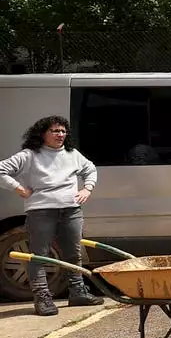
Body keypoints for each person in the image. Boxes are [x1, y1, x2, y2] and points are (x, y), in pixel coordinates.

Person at [0, 116, 102, 316]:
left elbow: (90, 169)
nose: (60, 135)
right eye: (55, 131)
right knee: (40, 255)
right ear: (42, 134)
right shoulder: (29, 155)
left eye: (63, 131)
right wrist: (18, 188)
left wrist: (87, 189)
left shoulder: (72, 154)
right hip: (41, 211)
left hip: (71, 210)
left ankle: (78, 292)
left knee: (74, 253)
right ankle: (42, 298)